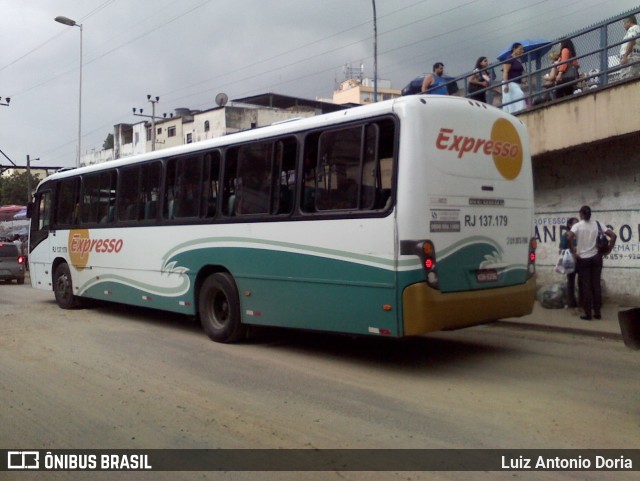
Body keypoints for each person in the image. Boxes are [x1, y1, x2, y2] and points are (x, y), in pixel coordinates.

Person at [567, 206, 617, 320]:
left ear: (581, 214)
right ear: (590, 214)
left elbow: (569, 238)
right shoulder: (598, 224)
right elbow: (613, 236)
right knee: (596, 285)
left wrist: (573, 253)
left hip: (583, 259)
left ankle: (588, 314)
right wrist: (609, 249)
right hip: (597, 258)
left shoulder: (577, 226)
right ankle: (597, 313)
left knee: (586, 287)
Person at [559, 217, 579, 309]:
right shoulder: (565, 236)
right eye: (575, 223)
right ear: (569, 225)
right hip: (570, 261)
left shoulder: (580, 235)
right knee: (570, 282)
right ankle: (571, 302)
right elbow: (561, 250)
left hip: (581, 261)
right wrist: (571, 250)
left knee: (582, 282)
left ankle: (582, 301)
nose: (577, 225)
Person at [501, 43, 526, 113]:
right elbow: (505, 72)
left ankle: (519, 111)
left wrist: (522, 80)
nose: (522, 51)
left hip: (517, 83)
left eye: (522, 49)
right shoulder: (509, 59)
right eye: (520, 49)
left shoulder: (518, 60)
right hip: (510, 83)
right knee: (519, 95)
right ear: (514, 49)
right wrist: (506, 84)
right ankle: (519, 112)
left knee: (517, 97)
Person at [620, 15, 640, 80]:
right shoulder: (637, 29)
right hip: (634, 56)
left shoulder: (633, 28)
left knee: (626, 79)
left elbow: (632, 40)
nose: (623, 25)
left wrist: (625, 56)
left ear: (629, 21)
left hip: (630, 58)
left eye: (624, 23)